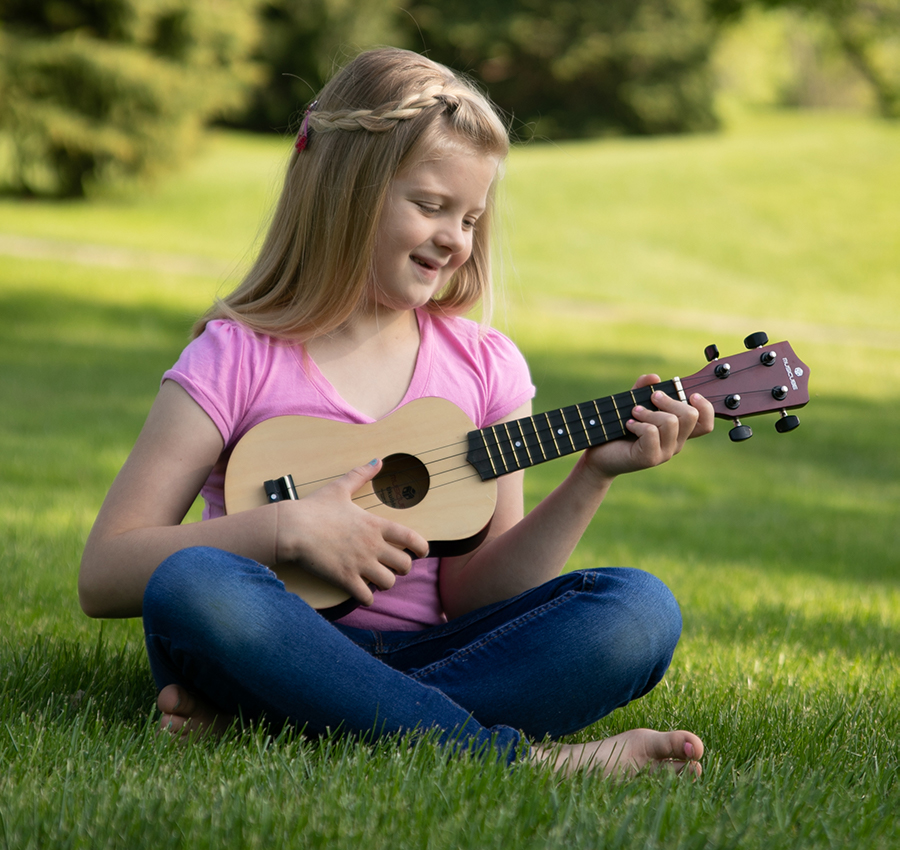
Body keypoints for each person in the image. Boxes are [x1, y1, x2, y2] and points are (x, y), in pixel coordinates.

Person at [78, 47, 714, 777]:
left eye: (471, 217)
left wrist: (592, 477)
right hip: (271, 633)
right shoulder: (236, 355)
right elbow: (106, 571)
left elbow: (477, 593)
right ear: (346, 190)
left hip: (438, 652)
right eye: (431, 206)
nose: (456, 238)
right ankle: (523, 760)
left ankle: (296, 717)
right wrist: (288, 529)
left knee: (639, 607)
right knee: (195, 584)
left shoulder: (485, 365)